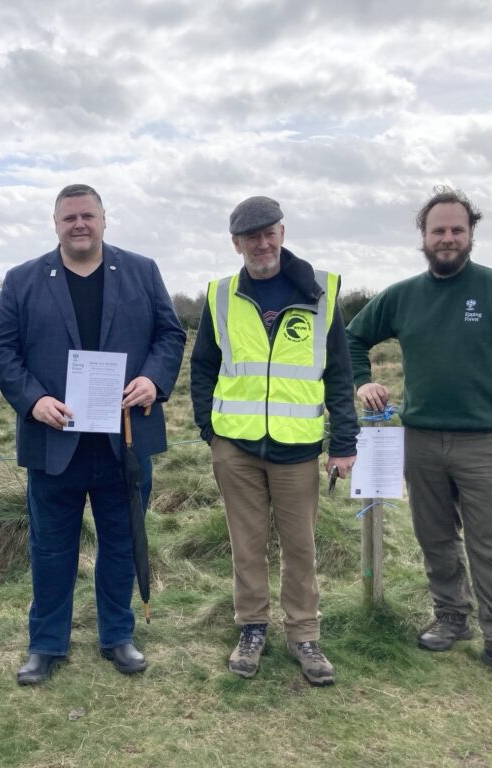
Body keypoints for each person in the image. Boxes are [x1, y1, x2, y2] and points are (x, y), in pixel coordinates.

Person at [346, 186, 492, 694]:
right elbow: (350, 337)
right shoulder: (402, 295)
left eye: (456, 230)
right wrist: (362, 381)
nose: (447, 238)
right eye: (437, 230)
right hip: (420, 439)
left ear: (470, 234)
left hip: (488, 443)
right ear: (423, 236)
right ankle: (451, 617)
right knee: (435, 537)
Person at [0, 184, 186, 685]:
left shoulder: (142, 271)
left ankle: (118, 635)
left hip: (125, 439)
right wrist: (33, 400)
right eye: (69, 217)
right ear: (55, 224)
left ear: (104, 219)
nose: (79, 224)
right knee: (51, 548)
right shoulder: (23, 280)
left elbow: (170, 334)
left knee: (122, 543)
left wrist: (154, 380)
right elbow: (1, 348)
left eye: (88, 216)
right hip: (55, 442)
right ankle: (46, 643)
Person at [190, 196, 358, 686]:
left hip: (297, 449)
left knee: (300, 547)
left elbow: (340, 374)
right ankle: (252, 629)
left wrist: (344, 441)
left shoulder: (321, 292)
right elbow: (202, 365)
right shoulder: (220, 295)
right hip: (236, 449)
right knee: (247, 545)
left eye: (269, 233)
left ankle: (304, 634)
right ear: (236, 243)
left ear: (282, 233)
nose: (261, 244)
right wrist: (210, 430)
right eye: (250, 237)